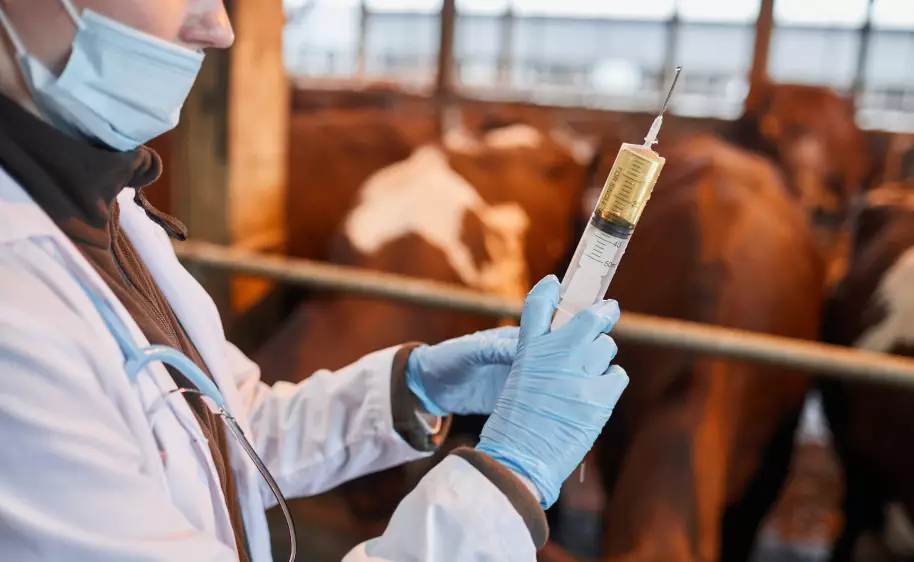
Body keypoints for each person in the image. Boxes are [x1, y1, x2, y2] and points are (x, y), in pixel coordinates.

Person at [0, 1, 629, 561]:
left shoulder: (109, 204)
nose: (219, 28)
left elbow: (220, 426)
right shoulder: (15, 318)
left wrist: (410, 388)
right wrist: (503, 483)